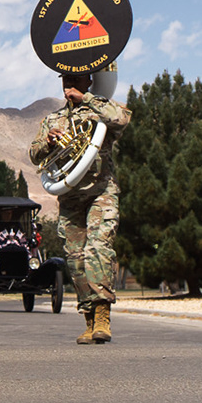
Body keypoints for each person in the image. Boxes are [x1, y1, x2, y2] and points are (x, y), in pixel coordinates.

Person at [29, 71, 131, 344]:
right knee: (75, 258)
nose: (68, 84)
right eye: (65, 79)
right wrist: (48, 142)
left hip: (101, 192)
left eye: (76, 79)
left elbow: (121, 119)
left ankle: (102, 316)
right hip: (70, 196)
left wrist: (86, 99)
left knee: (98, 249)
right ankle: (88, 317)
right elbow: (33, 154)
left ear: (89, 81)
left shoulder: (101, 108)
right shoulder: (53, 119)